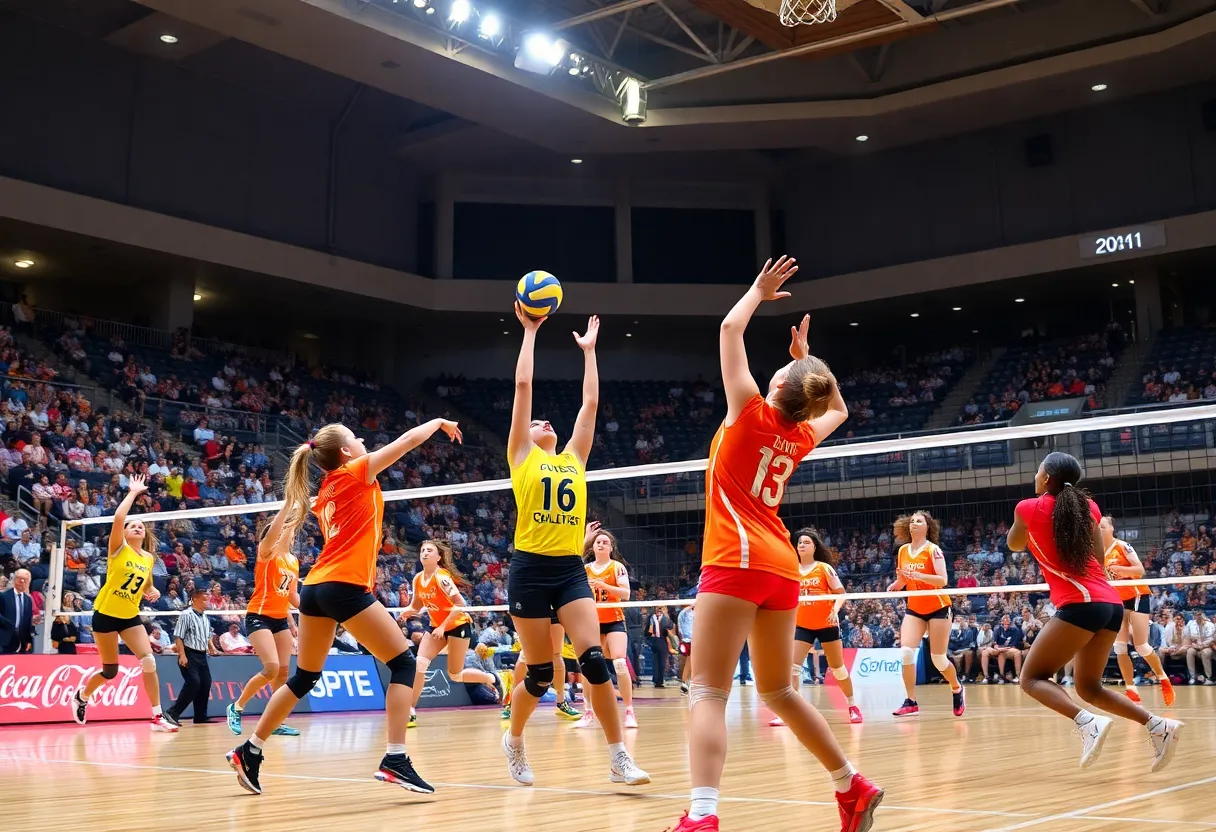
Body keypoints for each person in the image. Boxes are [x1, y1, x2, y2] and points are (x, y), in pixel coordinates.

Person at [671, 258, 880, 832]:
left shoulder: (750, 412)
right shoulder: (800, 433)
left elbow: (728, 329)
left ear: (780, 386)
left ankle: (703, 815)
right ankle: (851, 784)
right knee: (780, 690)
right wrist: (810, 363)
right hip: (783, 564)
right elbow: (839, 407)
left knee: (706, 690)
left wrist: (757, 293)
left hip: (736, 557)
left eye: (786, 371)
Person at [227, 417, 462, 796]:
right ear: (346, 451)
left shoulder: (326, 489)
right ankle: (396, 758)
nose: (363, 439)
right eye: (356, 437)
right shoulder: (356, 470)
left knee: (304, 677)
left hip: (315, 588)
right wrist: (437, 422)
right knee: (403, 664)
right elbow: (405, 441)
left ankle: (250, 750)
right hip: (343, 585)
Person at [500, 304, 647, 788]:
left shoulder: (574, 459)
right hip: (529, 569)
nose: (542, 421)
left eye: (546, 421)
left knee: (594, 661)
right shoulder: (521, 455)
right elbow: (524, 386)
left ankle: (619, 757)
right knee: (541, 673)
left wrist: (589, 352)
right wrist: (530, 331)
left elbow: (591, 404)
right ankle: (515, 740)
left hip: (567, 569)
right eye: (535, 422)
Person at [1007, 451, 1182, 770]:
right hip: (1110, 603)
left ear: (1046, 478)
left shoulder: (1026, 508)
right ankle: (1159, 726)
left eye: (1038, 471)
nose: (1035, 476)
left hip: (1080, 603)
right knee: (1088, 687)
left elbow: (1014, 544)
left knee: (1031, 678)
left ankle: (1087, 722)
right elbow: (1099, 560)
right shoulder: (1089, 507)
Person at [70, 476, 176, 731]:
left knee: (149, 661)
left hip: (129, 616)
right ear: (126, 533)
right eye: (132, 526)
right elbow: (119, 518)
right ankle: (82, 696)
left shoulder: (148, 558)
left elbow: (146, 583)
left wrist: (152, 590)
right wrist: (133, 493)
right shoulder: (118, 548)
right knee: (110, 671)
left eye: (141, 526)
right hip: (106, 615)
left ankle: (157, 716)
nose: (137, 528)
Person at [398, 539, 499, 726]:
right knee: (420, 664)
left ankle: (491, 678)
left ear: (438, 557)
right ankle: (410, 709)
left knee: (455, 675)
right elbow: (417, 605)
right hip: (436, 626)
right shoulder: (418, 578)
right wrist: (407, 611)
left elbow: (460, 604)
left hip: (457, 625)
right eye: (423, 550)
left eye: (429, 550)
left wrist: (443, 627)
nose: (425, 553)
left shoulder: (442, 578)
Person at [772, 528, 861, 727]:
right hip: (803, 626)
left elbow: (841, 594)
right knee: (792, 668)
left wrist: (834, 610)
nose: (802, 545)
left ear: (814, 547)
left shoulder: (824, 568)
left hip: (827, 625)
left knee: (838, 670)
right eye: (800, 542)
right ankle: (789, 713)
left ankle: (852, 706)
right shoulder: (791, 570)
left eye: (806, 542)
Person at [226, 507, 302, 737]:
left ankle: (275, 721)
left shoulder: (293, 561)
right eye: (281, 530)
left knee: (284, 672)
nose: (286, 533)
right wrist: (290, 510)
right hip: (259, 616)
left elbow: (291, 596)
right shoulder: (267, 552)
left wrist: (314, 607)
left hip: (280, 620)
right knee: (271, 668)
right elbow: (280, 529)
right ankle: (236, 707)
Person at [889, 510, 965, 718]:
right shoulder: (903, 551)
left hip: (938, 607)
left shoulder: (933, 550)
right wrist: (896, 585)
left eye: (919, 521)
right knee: (905, 653)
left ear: (927, 527)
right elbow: (903, 579)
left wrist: (919, 575)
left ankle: (956, 688)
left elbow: (942, 580)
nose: (914, 523)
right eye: (912, 521)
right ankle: (911, 701)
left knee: (938, 659)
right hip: (915, 608)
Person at [1100, 516, 1174, 705]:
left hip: (1137, 595)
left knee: (1141, 646)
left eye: (1103, 526)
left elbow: (1139, 570)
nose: (1099, 529)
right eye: (1097, 526)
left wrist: (1120, 569)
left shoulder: (1122, 546)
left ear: (1111, 528)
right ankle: (1131, 689)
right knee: (1119, 647)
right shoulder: (1097, 552)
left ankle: (1163, 679)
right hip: (1117, 599)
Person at [575, 523, 637, 730]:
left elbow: (626, 594)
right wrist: (585, 538)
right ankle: (588, 712)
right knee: (588, 667)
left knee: (619, 663)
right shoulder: (585, 569)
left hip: (614, 620)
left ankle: (629, 711)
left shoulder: (617, 567)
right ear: (592, 547)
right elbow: (571, 562)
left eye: (605, 542)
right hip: (591, 622)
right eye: (598, 542)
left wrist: (604, 586)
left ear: (611, 548)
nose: (601, 544)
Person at [168, 590, 215, 725]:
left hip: (202, 654)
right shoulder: (186, 615)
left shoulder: (205, 617)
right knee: (193, 683)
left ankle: (200, 716)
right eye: (204, 599)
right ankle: (172, 713)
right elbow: (178, 636)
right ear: (195, 599)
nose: (207, 602)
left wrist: (211, 647)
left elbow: (208, 635)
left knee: (205, 683)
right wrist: (182, 655)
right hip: (189, 653)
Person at [0, 568, 35, 654]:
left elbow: (27, 621)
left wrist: (29, 640)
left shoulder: (28, 600)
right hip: (4, 639)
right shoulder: (3, 596)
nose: (22, 581)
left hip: (22, 641)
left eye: (26, 579)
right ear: (14, 579)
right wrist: (9, 625)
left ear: (29, 582)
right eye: (20, 578)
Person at [646, 607, 673, 687]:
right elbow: (647, 629)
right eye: (657, 608)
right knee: (655, 661)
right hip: (654, 640)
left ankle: (660, 681)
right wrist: (649, 638)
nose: (659, 610)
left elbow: (670, 626)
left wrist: (666, 616)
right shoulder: (651, 617)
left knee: (662, 661)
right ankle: (656, 680)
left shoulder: (665, 618)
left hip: (662, 640)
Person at [677, 596, 696, 694]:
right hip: (689, 641)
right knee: (689, 662)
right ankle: (685, 682)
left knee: (690, 662)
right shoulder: (685, 613)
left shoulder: (693, 613)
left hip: (691, 640)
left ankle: (686, 683)